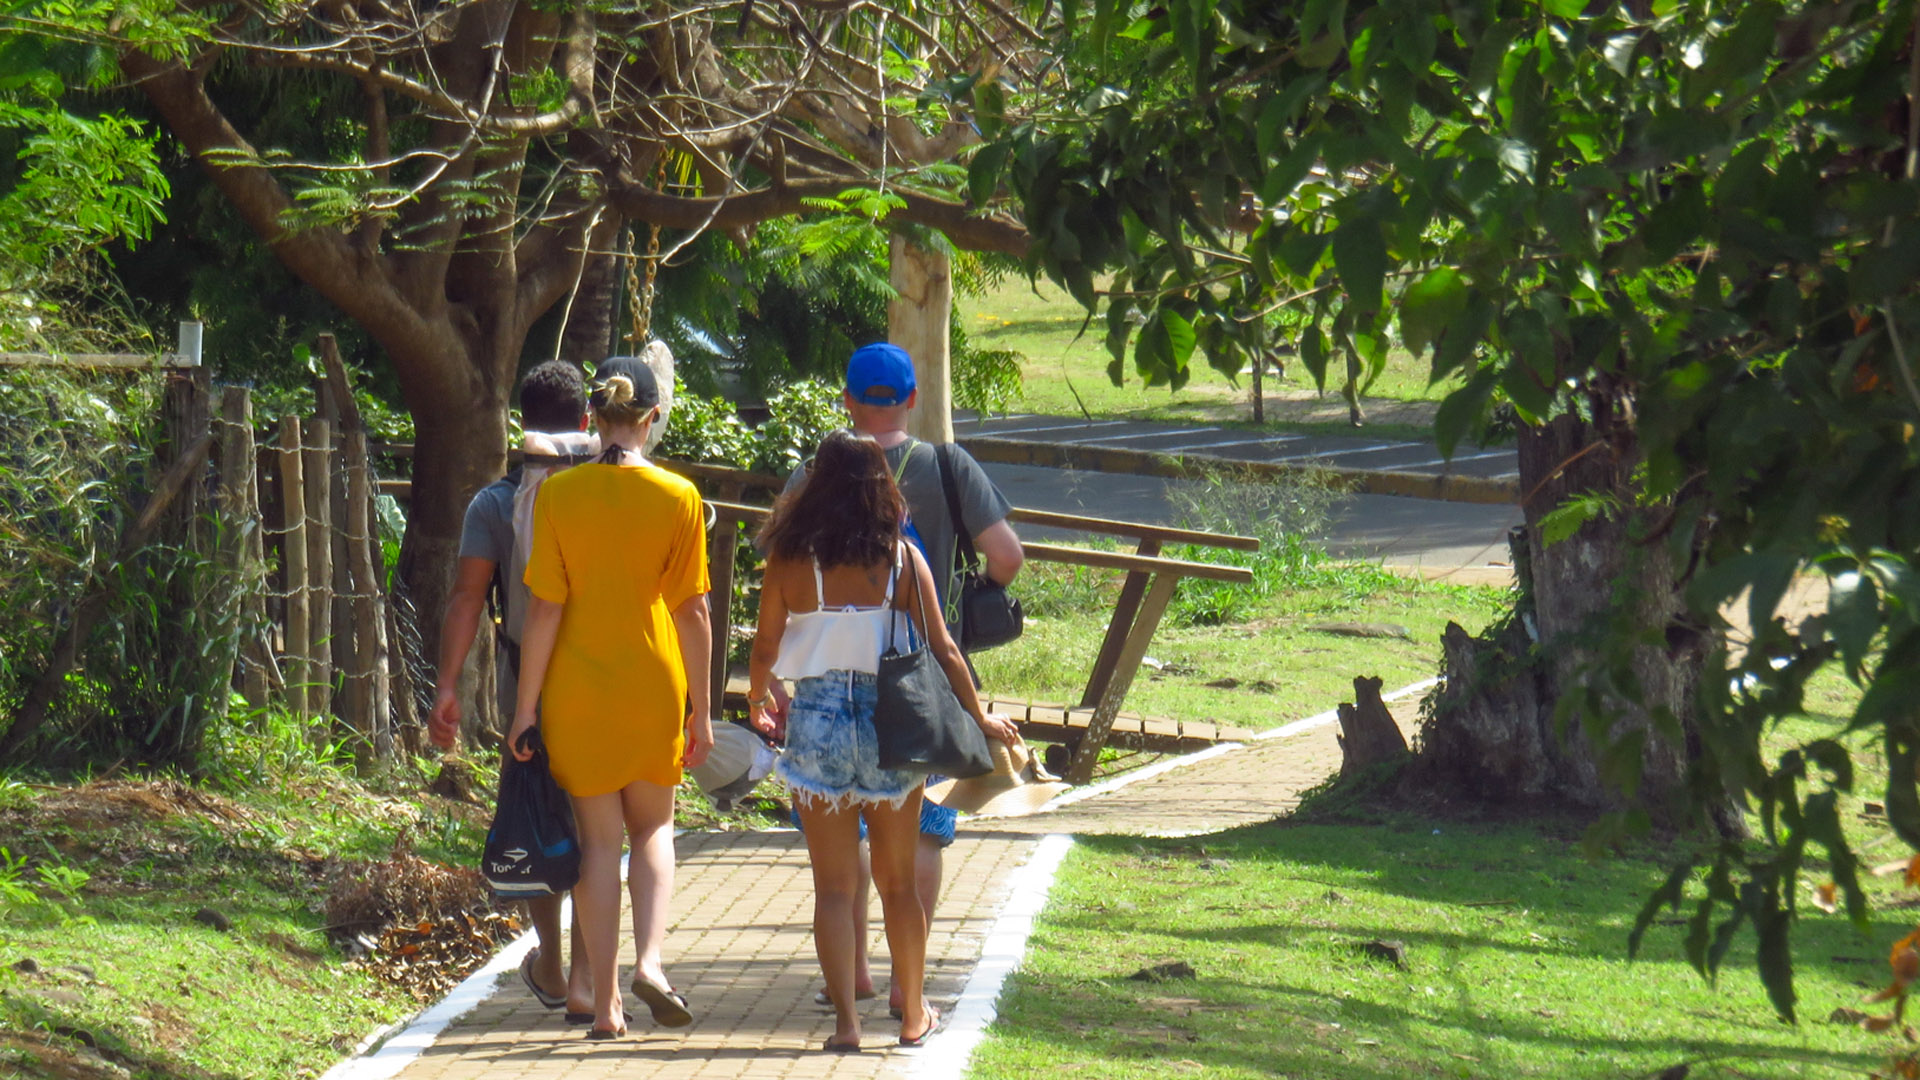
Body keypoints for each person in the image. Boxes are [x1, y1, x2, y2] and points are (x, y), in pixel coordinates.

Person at [749, 429, 1019, 1052]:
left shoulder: (789, 557)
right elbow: (944, 648)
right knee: (899, 885)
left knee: (835, 889)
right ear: (881, 486)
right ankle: (912, 1014)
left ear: (816, 485)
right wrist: (978, 717)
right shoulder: (901, 558)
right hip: (890, 724)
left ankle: (846, 1024)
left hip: (815, 721)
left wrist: (758, 694)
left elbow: (765, 646)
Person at [510, 359, 714, 1041]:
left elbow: (543, 611)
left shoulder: (558, 498)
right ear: (652, 417)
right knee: (653, 830)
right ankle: (651, 964)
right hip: (655, 685)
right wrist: (704, 712)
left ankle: (602, 1006)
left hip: (578, 689)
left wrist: (524, 709)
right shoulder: (679, 496)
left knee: (600, 845)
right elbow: (694, 613)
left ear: (592, 418)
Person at [429, 359, 593, 1019]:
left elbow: (469, 598)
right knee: (595, 823)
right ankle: (589, 973)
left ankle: (550, 961)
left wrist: (447, 687)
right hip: (601, 672)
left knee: (535, 811)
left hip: (524, 674)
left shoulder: (495, 503)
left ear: (521, 425)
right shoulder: (601, 492)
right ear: (586, 421)